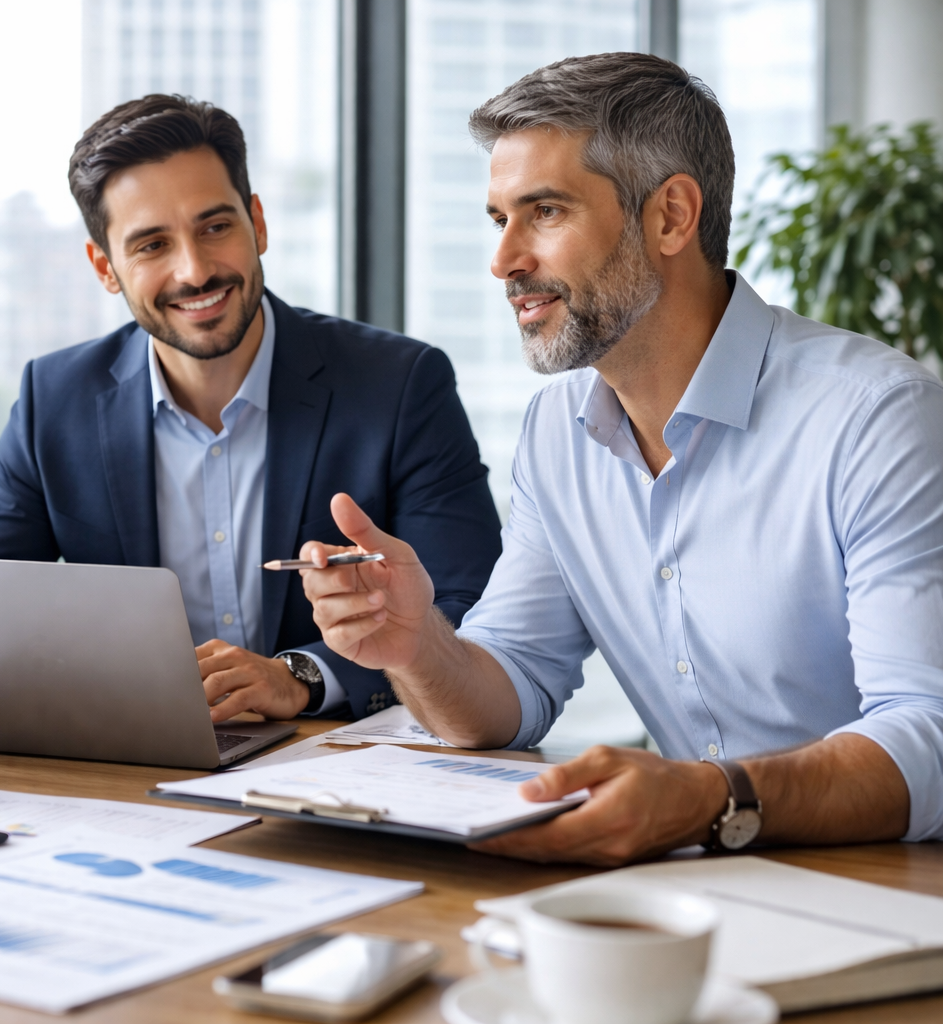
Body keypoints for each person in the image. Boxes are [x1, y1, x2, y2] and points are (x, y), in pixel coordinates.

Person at [300, 52, 943, 863]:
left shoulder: (876, 418)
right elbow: (514, 685)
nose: (503, 262)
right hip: (699, 883)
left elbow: (930, 735)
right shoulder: (556, 430)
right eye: (499, 219)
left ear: (672, 215)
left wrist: (711, 799)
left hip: (893, 886)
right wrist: (415, 645)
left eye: (545, 211)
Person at [0, 94, 502, 722]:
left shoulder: (400, 385)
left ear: (257, 224)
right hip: (133, 768)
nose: (195, 271)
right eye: (152, 245)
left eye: (215, 227)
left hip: (339, 768)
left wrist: (302, 677)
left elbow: (473, 607)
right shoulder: (55, 400)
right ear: (105, 267)